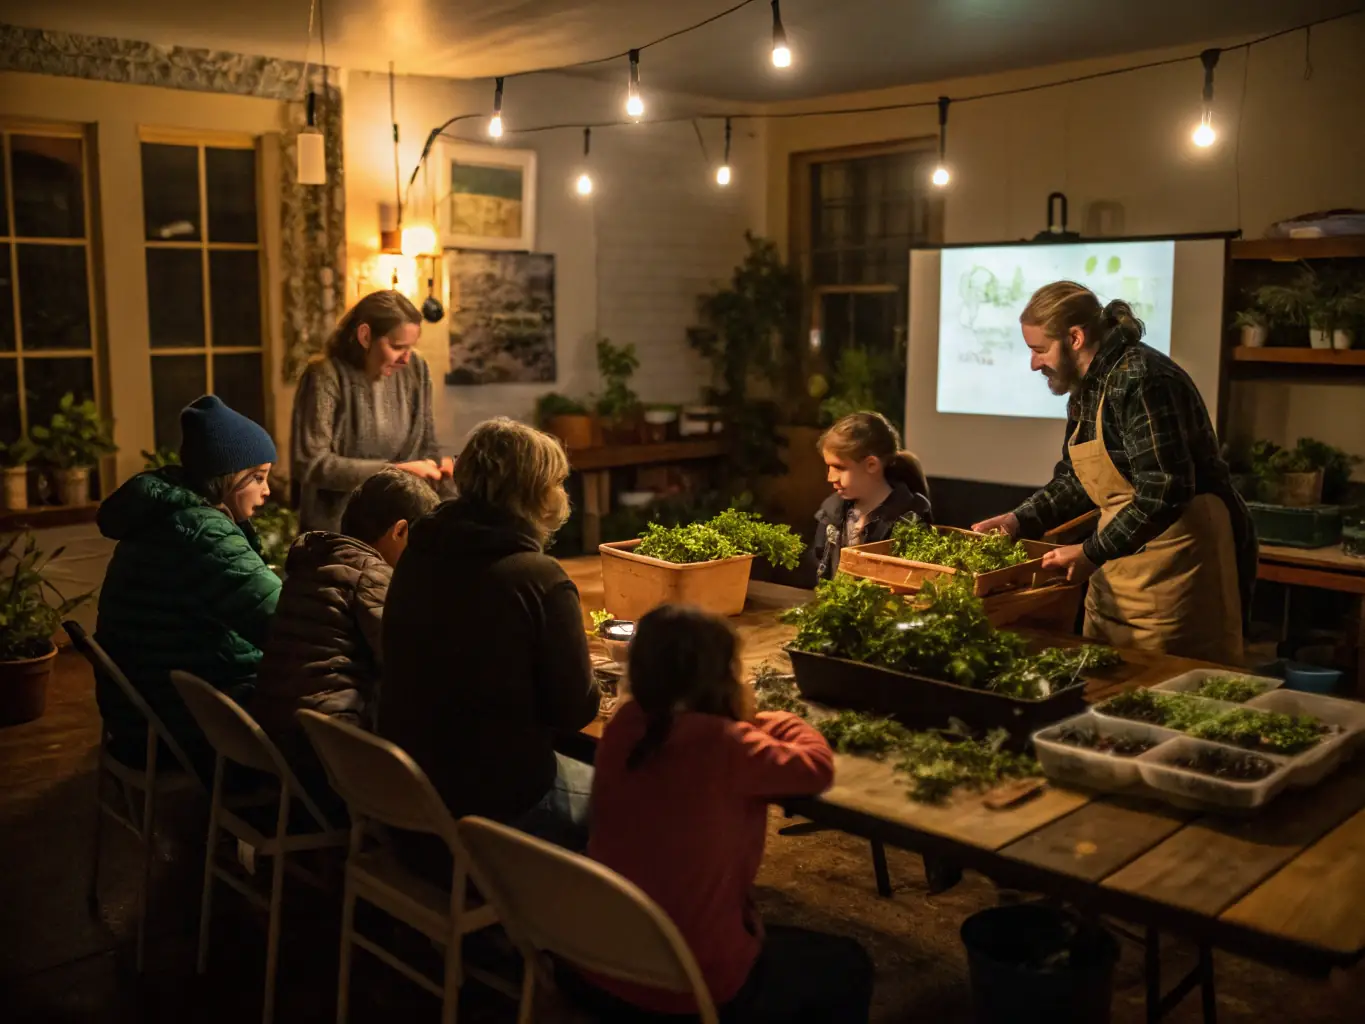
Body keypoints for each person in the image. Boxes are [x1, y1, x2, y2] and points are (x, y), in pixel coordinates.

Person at [570, 604, 873, 1023]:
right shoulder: (727, 745)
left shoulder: (625, 726)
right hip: (688, 985)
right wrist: (780, 719)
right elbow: (817, 769)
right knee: (850, 964)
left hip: (597, 963)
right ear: (724, 673)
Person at [972, 281, 1255, 665]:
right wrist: (1017, 521)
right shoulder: (1087, 388)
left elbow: (1164, 490)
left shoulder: (1141, 379)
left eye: (1039, 350)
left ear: (1075, 337)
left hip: (1178, 564)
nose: (1034, 364)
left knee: (1168, 689)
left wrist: (1093, 551)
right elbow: (1076, 479)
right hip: (1121, 568)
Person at [379, 418, 600, 874]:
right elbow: (576, 711)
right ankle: (597, 933)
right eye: (557, 483)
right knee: (638, 794)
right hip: (493, 809)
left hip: (411, 794)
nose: (563, 494)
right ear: (535, 492)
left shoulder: (421, 551)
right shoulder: (537, 578)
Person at [95, 395, 282, 782]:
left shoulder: (166, 515)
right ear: (227, 476)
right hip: (178, 725)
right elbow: (280, 624)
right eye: (259, 477)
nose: (267, 492)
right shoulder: (200, 532)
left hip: (141, 712)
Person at [251, 468, 440, 810]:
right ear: (400, 531)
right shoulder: (372, 574)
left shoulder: (315, 561)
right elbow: (410, 663)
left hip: (283, 739)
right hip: (330, 753)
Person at [291, 289, 454, 533]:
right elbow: (311, 463)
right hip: (338, 532)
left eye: (411, 347)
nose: (406, 359)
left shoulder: (417, 369)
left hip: (399, 528)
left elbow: (426, 445)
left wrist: (438, 468)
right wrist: (395, 472)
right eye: (397, 347)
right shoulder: (325, 375)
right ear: (365, 336)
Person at [813, 411, 932, 581]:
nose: (830, 478)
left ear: (871, 465)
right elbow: (818, 567)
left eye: (839, 467)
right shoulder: (831, 511)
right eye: (828, 467)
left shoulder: (910, 517)